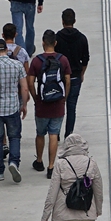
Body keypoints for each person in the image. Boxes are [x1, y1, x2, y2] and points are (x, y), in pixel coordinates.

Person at [0, 37, 29, 183]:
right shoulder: (17, 65)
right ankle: (14, 162)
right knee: (14, 137)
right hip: (13, 107)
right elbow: (25, 88)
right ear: (7, 50)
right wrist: (24, 104)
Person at [28, 30, 71, 175]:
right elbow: (67, 80)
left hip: (42, 104)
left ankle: (39, 161)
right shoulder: (63, 60)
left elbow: (30, 82)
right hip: (58, 103)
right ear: (55, 43)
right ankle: (51, 166)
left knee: (40, 134)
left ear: (42, 43)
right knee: (54, 134)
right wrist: (64, 97)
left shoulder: (37, 61)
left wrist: (36, 98)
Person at [55, 9, 90, 139]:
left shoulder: (57, 38)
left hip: (60, 78)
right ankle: (68, 134)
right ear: (74, 21)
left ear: (62, 21)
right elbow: (85, 59)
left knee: (58, 105)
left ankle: (55, 132)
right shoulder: (82, 38)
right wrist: (82, 73)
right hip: (75, 76)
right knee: (71, 106)